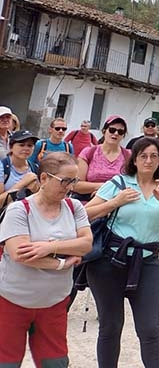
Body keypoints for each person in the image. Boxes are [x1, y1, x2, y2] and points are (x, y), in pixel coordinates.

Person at [85, 136, 159, 368]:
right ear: (134, 158)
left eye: (154, 156)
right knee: (111, 327)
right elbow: (85, 213)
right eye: (143, 156)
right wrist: (115, 202)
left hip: (147, 262)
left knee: (150, 329)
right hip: (109, 262)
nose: (148, 161)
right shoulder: (118, 183)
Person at [0, 152, 92, 368]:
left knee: (56, 363)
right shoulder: (18, 210)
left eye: (74, 181)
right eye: (65, 181)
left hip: (54, 302)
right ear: (44, 179)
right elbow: (20, 255)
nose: (70, 187)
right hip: (13, 301)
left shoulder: (74, 207)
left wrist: (49, 247)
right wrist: (62, 262)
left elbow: (86, 244)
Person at [73, 115, 131, 203]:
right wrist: (104, 187)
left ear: (123, 135)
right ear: (104, 131)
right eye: (112, 130)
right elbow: (76, 185)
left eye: (120, 132)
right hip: (88, 205)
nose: (115, 133)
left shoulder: (129, 156)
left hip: (118, 207)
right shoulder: (89, 152)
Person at [0, 130, 41, 207]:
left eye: (30, 145)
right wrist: (23, 184)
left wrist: (36, 191)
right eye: (21, 145)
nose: (26, 148)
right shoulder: (3, 167)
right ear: (11, 147)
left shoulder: (35, 168)